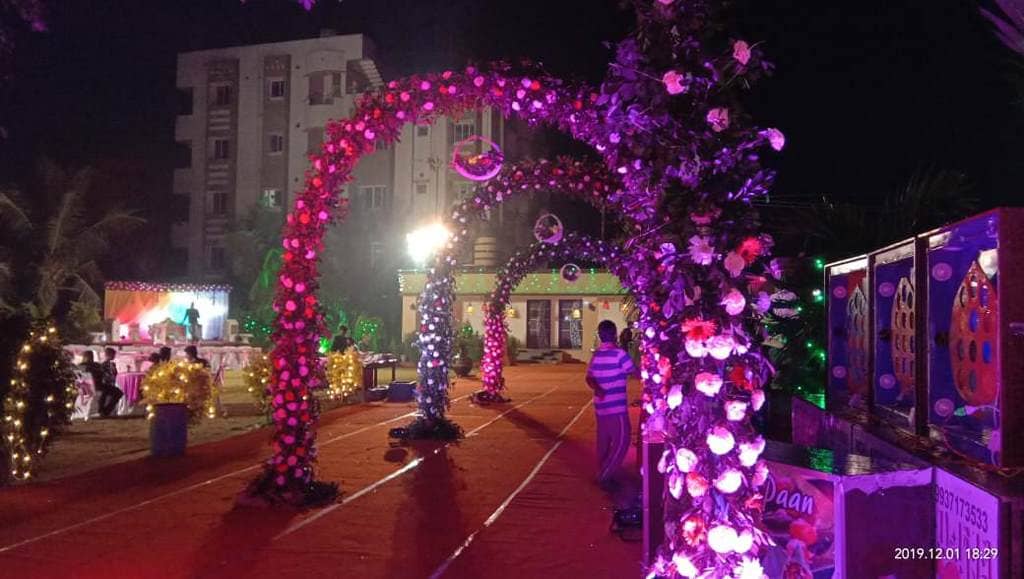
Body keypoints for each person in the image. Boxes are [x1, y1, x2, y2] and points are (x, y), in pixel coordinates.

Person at [585, 320, 639, 491]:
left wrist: (598, 389)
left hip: (601, 406)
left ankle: (606, 471)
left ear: (600, 335)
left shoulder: (596, 355)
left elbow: (589, 378)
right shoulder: (619, 354)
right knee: (622, 440)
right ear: (615, 335)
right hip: (616, 407)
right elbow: (634, 372)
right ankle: (604, 475)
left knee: (604, 440)